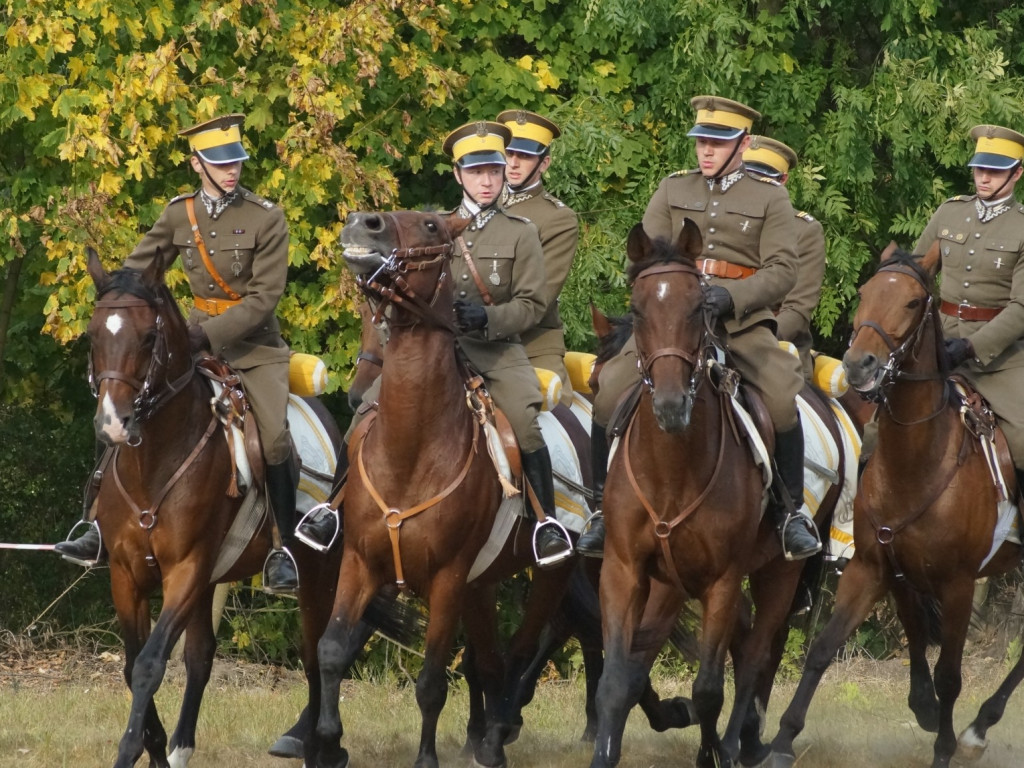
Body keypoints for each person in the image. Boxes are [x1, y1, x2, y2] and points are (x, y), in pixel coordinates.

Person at [298, 121, 574, 567]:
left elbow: (533, 304)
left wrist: (490, 318)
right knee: (369, 409)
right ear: (458, 174)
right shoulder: (431, 228)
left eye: (495, 170)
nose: (487, 181)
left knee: (523, 417)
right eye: (476, 171)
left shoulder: (521, 232)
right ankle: (330, 510)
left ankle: (544, 522)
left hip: (494, 348)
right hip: (431, 352)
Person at [55, 114, 301, 594]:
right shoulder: (178, 215)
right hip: (188, 344)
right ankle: (96, 527)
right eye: (220, 162)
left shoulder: (266, 217)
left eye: (237, 161)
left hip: (253, 348)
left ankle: (282, 546)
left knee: (271, 437)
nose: (232, 170)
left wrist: (205, 336)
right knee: (122, 407)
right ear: (197, 164)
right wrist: (118, 304)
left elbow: (263, 298)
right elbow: (137, 271)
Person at [577, 96, 822, 561]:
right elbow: (643, 256)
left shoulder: (771, 197)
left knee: (781, 397)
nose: (706, 151)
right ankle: (598, 509)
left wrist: (736, 296)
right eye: (701, 142)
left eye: (718, 142)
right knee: (608, 390)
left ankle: (791, 513)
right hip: (671, 322)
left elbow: (784, 269)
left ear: (743, 144)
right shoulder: (672, 189)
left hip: (740, 322)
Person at [916, 124, 1024, 489]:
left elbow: (1021, 307)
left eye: (995, 170)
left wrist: (971, 347)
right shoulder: (949, 213)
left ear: (1017, 172)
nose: (984, 177)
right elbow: (915, 275)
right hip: (935, 343)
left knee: (1023, 438)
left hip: (998, 358)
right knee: (875, 420)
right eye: (980, 168)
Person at [496, 109, 579, 404]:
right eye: (508, 153)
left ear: (543, 163)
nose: (513, 163)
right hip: (466, 343)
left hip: (530, 348)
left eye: (525, 156)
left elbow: (539, 299)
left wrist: (481, 321)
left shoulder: (557, 218)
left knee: (538, 424)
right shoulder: (473, 209)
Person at [743, 135, 826, 381]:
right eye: (748, 178)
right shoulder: (718, 219)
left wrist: (753, 339)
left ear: (783, 181)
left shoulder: (804, 231)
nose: (754, 187)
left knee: (782, 414)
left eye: (765, 180)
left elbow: (797, 311)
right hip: (715, 339)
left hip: (778, 350)